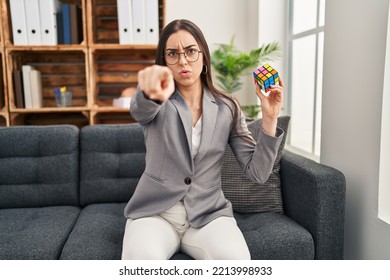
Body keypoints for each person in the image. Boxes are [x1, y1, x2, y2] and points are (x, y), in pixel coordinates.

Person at [121, 19, 285, 260]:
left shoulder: (227, 107)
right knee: (141, 261)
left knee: (236, 262)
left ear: (203, 56)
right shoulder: (157, 101)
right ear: (164, 61)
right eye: (173, 54)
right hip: (155, 213)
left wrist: (270, 118)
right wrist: (150, 93)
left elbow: (257, 173)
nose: (183, 61)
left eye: (190, 51)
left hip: (208, 215)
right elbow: (140, 109)